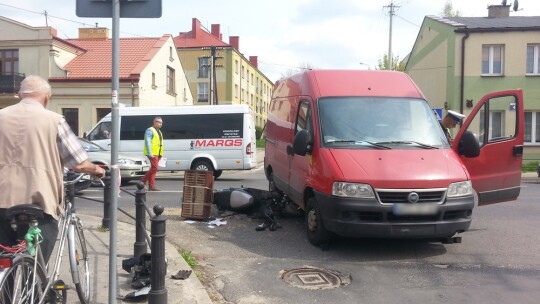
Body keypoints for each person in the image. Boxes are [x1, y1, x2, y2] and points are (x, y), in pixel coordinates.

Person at [0, 75, 106, 263]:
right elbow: (78, 163)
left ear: (19, 95)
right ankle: (36, 288)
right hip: (38, 201)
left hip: (2, 200)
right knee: (37, 260)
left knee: (5, 259)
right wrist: (97, 169)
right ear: (47, 97)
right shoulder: (54, 120)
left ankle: (8, 288)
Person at [141, 116, 164, 191]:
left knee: (154, 169)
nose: (161, 124)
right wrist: (150, 153)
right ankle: (142, 181)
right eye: (159, 122)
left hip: (157, 153)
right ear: (154, 122)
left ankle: (151, 186)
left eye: (161, 123)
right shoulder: (150, 130)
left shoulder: (159, 131)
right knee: (155, 168)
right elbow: (147, 141)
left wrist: (161, 154)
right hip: (152, 153)